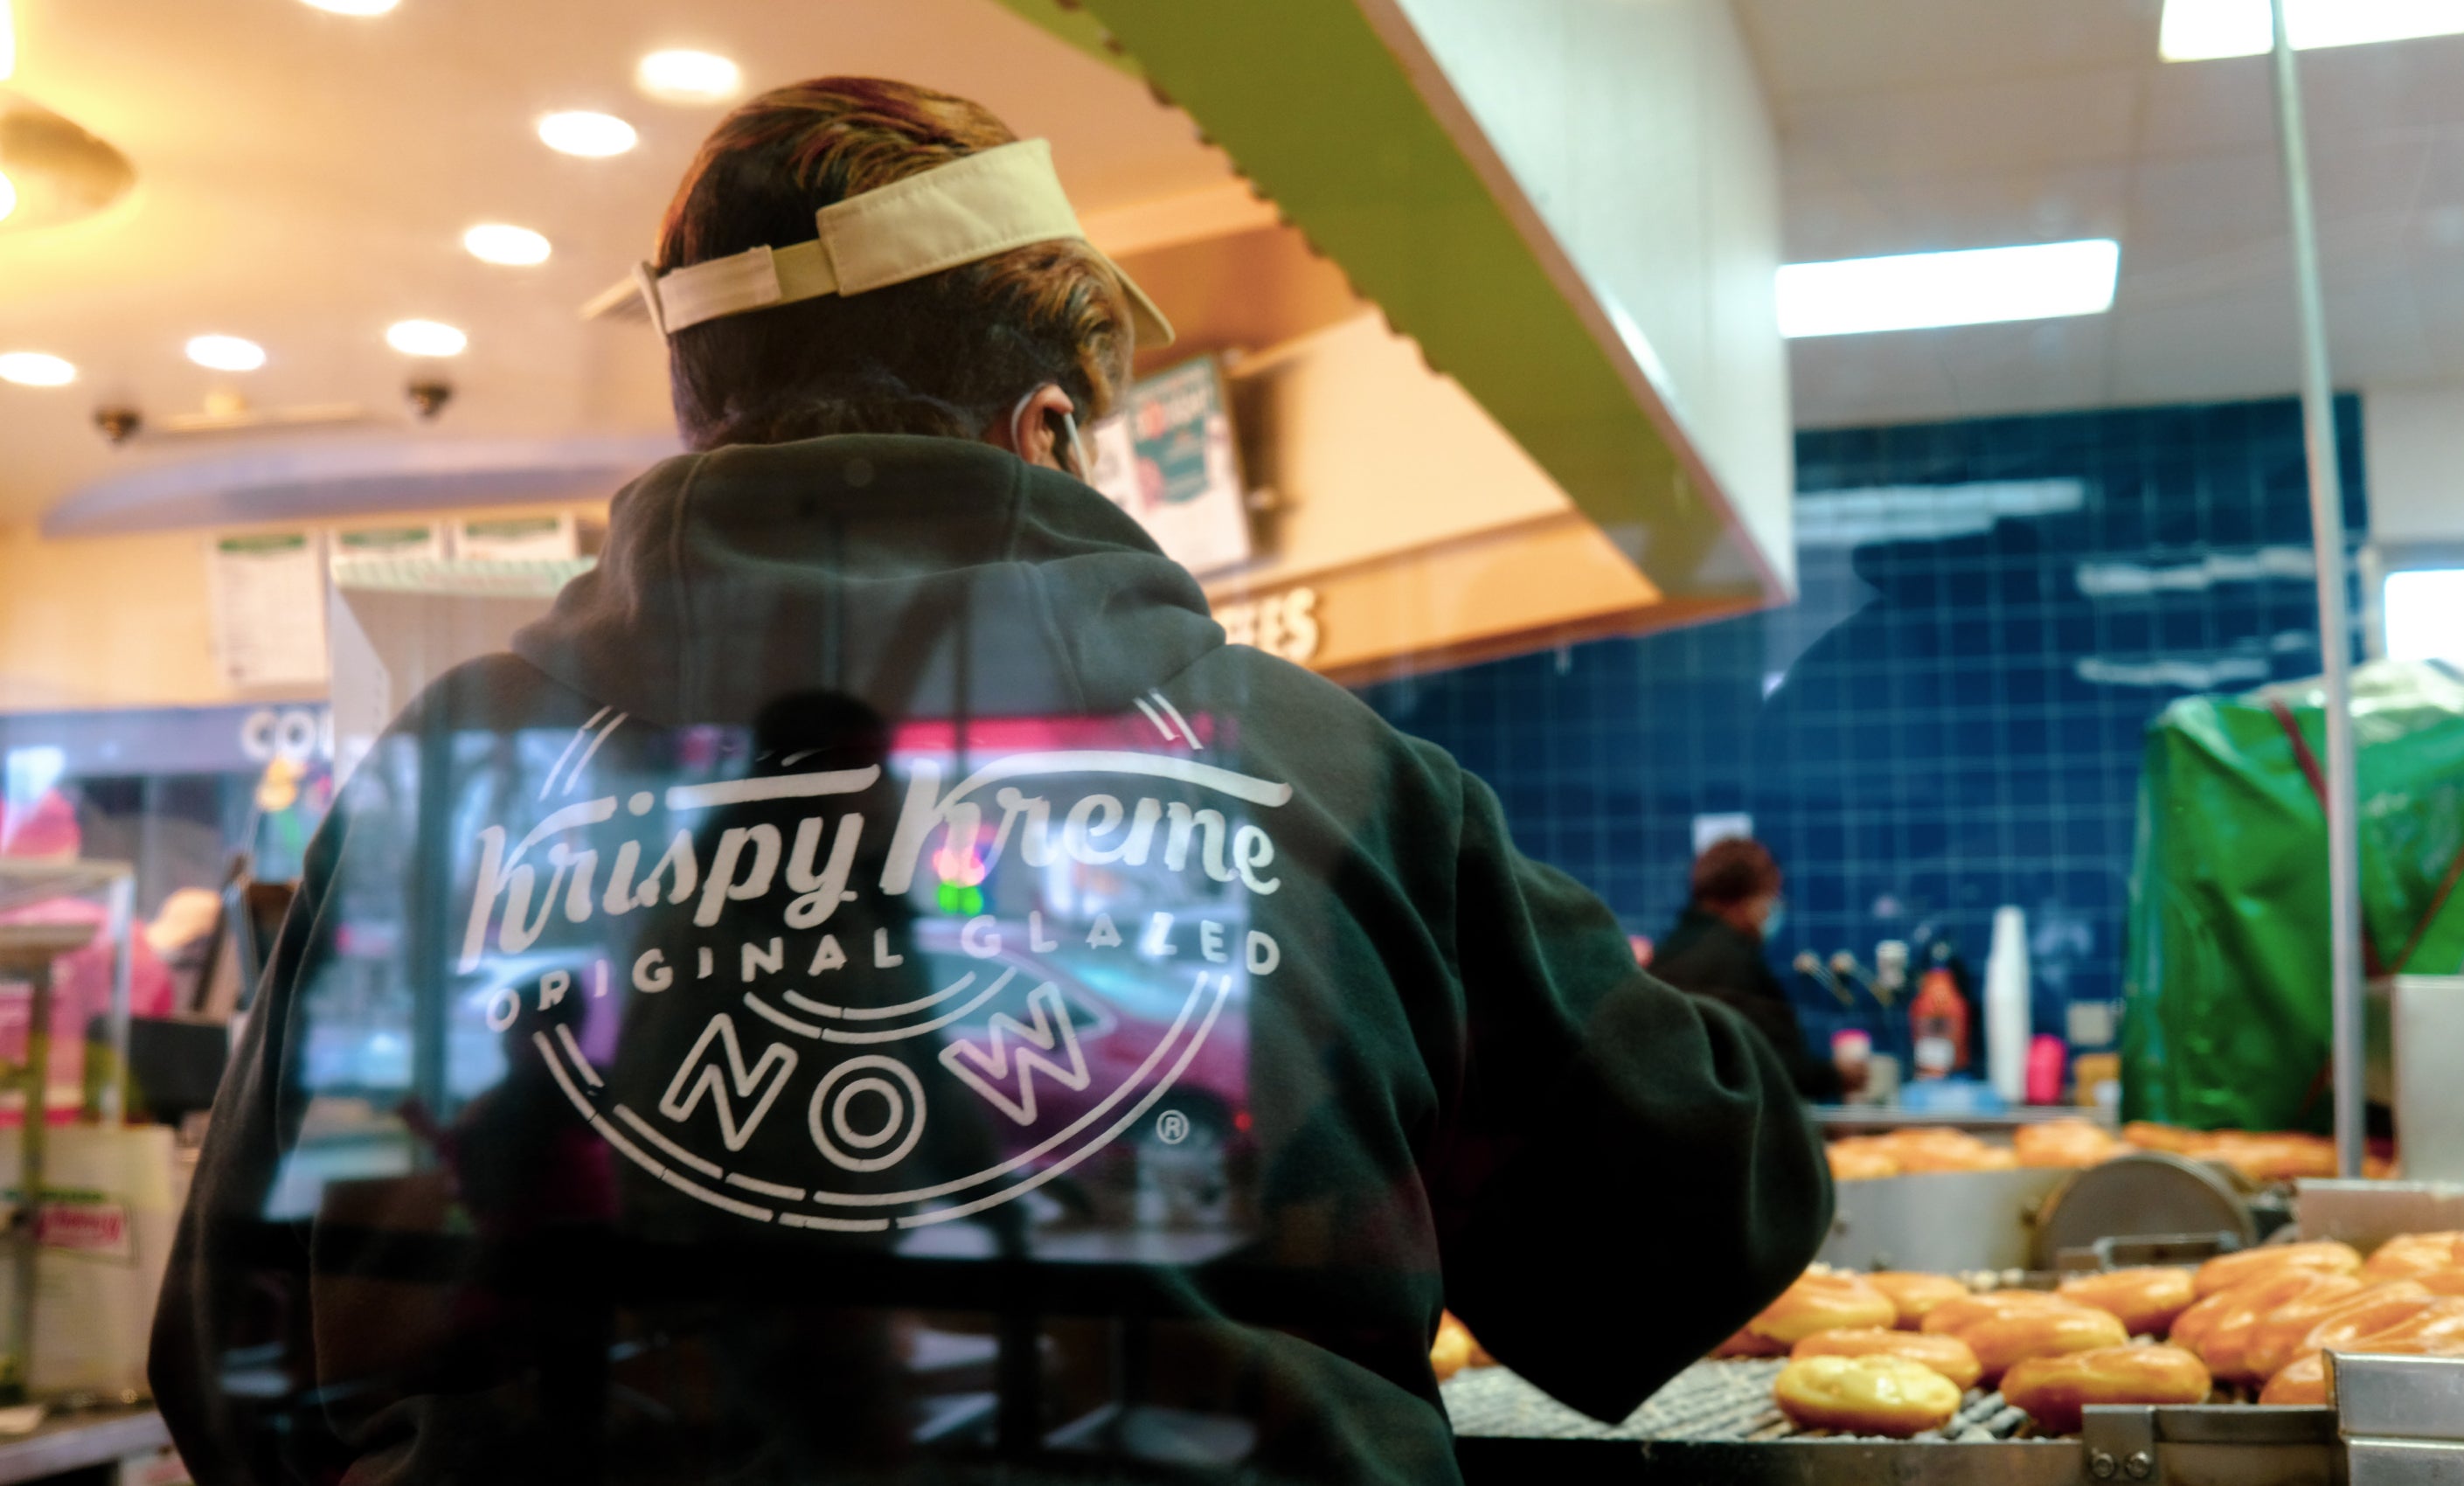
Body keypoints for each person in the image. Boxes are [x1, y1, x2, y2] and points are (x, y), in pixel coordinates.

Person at [151, 77, 1829, 1486]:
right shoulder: (1330, 778)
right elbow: (1701, 1213)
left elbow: (228, 1370)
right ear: (1044, 433)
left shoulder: (444, 781)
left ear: (700, 414)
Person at [1646, 837, 1842, 1101]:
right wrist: (1835, 1075)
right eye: (1772, 896)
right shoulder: (1730, 962)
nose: (1775, 907)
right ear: (1745, 899)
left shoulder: (1672, 950)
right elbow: (1766, 1063)